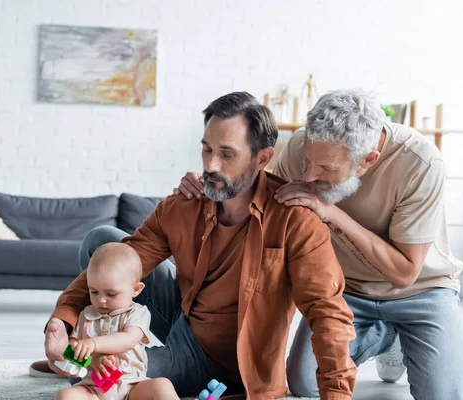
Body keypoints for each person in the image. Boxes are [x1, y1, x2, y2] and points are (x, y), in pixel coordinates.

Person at [34, 91, 357, 400]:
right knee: (103, 243)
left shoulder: (295, 219)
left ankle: (76, 364)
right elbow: (132, 254)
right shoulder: (186, 203)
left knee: (106, 379)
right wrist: (61, 322)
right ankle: (74, 356)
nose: (211, 166)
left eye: (227, 154)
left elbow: (326, 311)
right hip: (184, 319)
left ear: (263, 158)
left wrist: (337, 393)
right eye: (207, 150)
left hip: (233, 360)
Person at [175, 89, 463, 400]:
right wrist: (208, 186)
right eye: (307, 159)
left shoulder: (420, 163)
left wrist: (331, 213)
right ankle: (385, 340)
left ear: (367, 160)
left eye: (326, 169)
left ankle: (401, 338)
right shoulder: (301, 147)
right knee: (305, 382)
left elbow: (405, 273)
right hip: (347, 291)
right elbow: (259, 206)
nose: (308, 175)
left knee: (446, 395)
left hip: (421, 290)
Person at [54, 242, 178, 400]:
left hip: (132, 386)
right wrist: (92, 361)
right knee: (65, 395)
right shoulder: (85, 315)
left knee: (162, 385)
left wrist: (94, 344)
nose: (101, 300)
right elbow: (71, 351)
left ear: (136, 289)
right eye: (94, 292)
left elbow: (128, 339)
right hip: (94, 389)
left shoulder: (138, 313)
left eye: (111, 294)